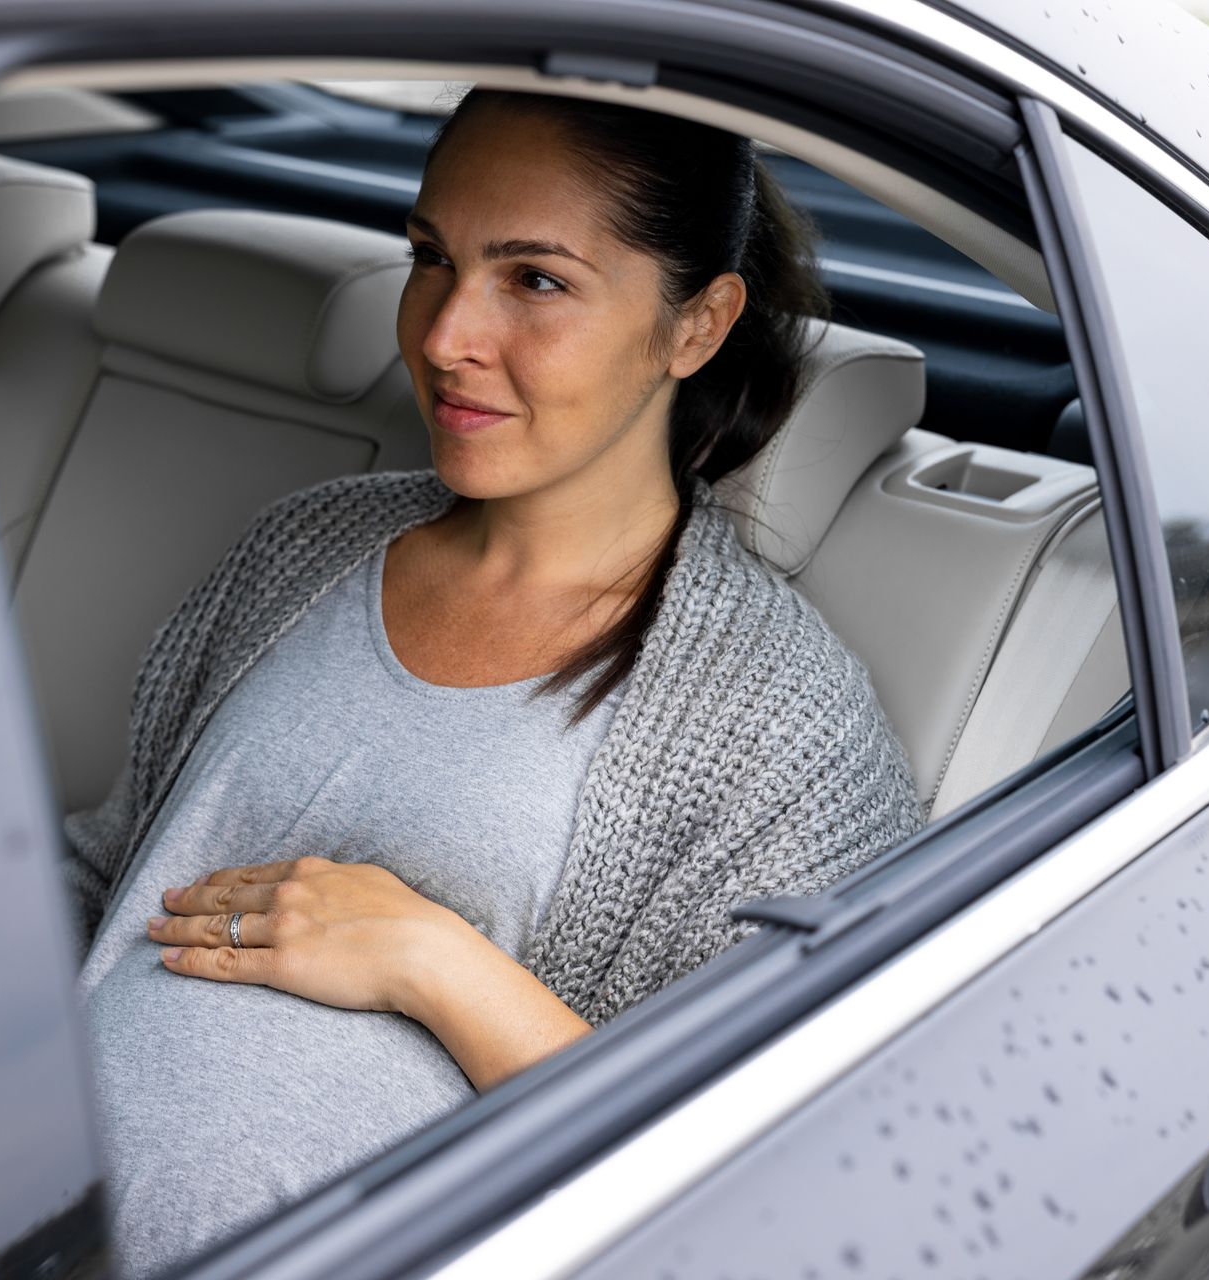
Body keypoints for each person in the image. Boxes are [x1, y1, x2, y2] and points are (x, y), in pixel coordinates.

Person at [63, 86, 925, 1279]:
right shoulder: (302, 550)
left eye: (537, 279)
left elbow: (754, 1176)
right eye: (432, 258)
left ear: (697, 324)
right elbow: (107, 878)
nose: (444, 332)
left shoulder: (779, 729)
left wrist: (437, 964)